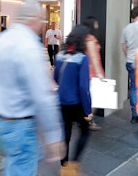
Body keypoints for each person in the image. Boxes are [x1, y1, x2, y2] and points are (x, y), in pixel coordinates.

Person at [0, 0, 65, 176]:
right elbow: (41, 95)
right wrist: (53, 135)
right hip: (20, 124)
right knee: (24, 164)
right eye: (42, 21)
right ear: (34, 19)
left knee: (17, 161)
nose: (42, 26)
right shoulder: (28, 46)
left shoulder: (1, 39)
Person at [54, 25, 93, 175]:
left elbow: (56, 78)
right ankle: (73, 164)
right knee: (85, 131)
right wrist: (88, 110)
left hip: (61, 101)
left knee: (65, 133)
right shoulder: (82, 58)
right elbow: (84, 87)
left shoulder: (59, 55)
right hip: (76, 103)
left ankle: (64, 166)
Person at [82, 16, 105, 131]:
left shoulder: (86, 38)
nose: (97, 25)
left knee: (92, 98)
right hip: (92, 72)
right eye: (95, 23)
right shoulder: (90, 39)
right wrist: (99, 74)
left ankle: (86, 119)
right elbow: (93, 57)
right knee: (95, 99)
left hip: (89, 71)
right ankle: (88, 121)